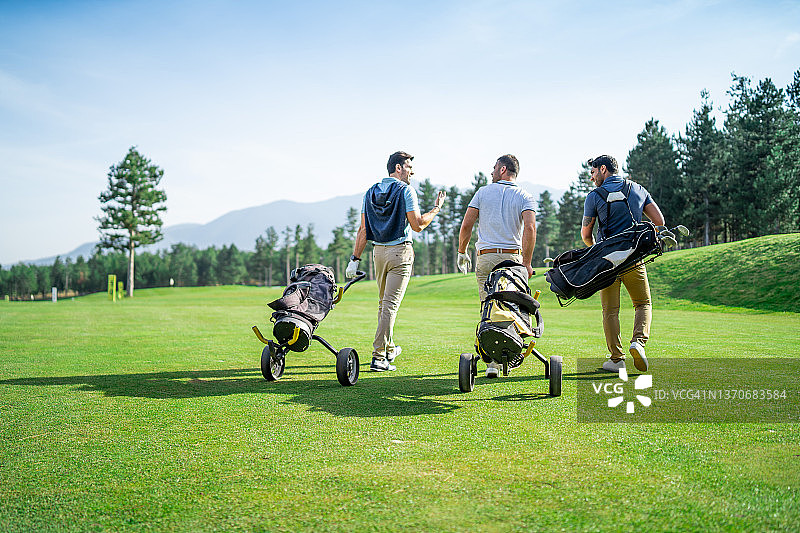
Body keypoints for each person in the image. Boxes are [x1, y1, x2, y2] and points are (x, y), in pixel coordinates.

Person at [346, 151, 446, 372]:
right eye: (409, 166)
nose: (412, 171)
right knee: (389, 306)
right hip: (400, 252)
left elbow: (363, 229)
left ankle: (389, 348)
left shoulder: (370, 192)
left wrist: (355, 259)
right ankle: (379, 356)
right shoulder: (406, 190)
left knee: (383, 304)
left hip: (378, 253)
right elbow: (418, 224)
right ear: (398, 168)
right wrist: (436, 208)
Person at [581, 154, 665, 373]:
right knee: (643, 303)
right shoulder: (637, 189)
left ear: (602, 169)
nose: (591, 178)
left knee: (610, 311)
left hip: (606, 262)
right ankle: (638, 342)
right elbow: (659, 221)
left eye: (592, 172)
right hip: (633, 258)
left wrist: (595, 249)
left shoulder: (594, 196)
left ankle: (617, 360)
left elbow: (586, 233)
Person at [457, 154, 537, 377]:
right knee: (513, 307)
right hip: (513, 260)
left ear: (503, 169)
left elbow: (466, 226)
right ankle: (510, 354)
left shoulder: (483, 192)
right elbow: (530, 228)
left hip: (486, 257)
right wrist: (528, 263)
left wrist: (461, 252)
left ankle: (491, 361)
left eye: (494, 168)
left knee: (488, 307)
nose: (491, 172)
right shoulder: (524, 195)